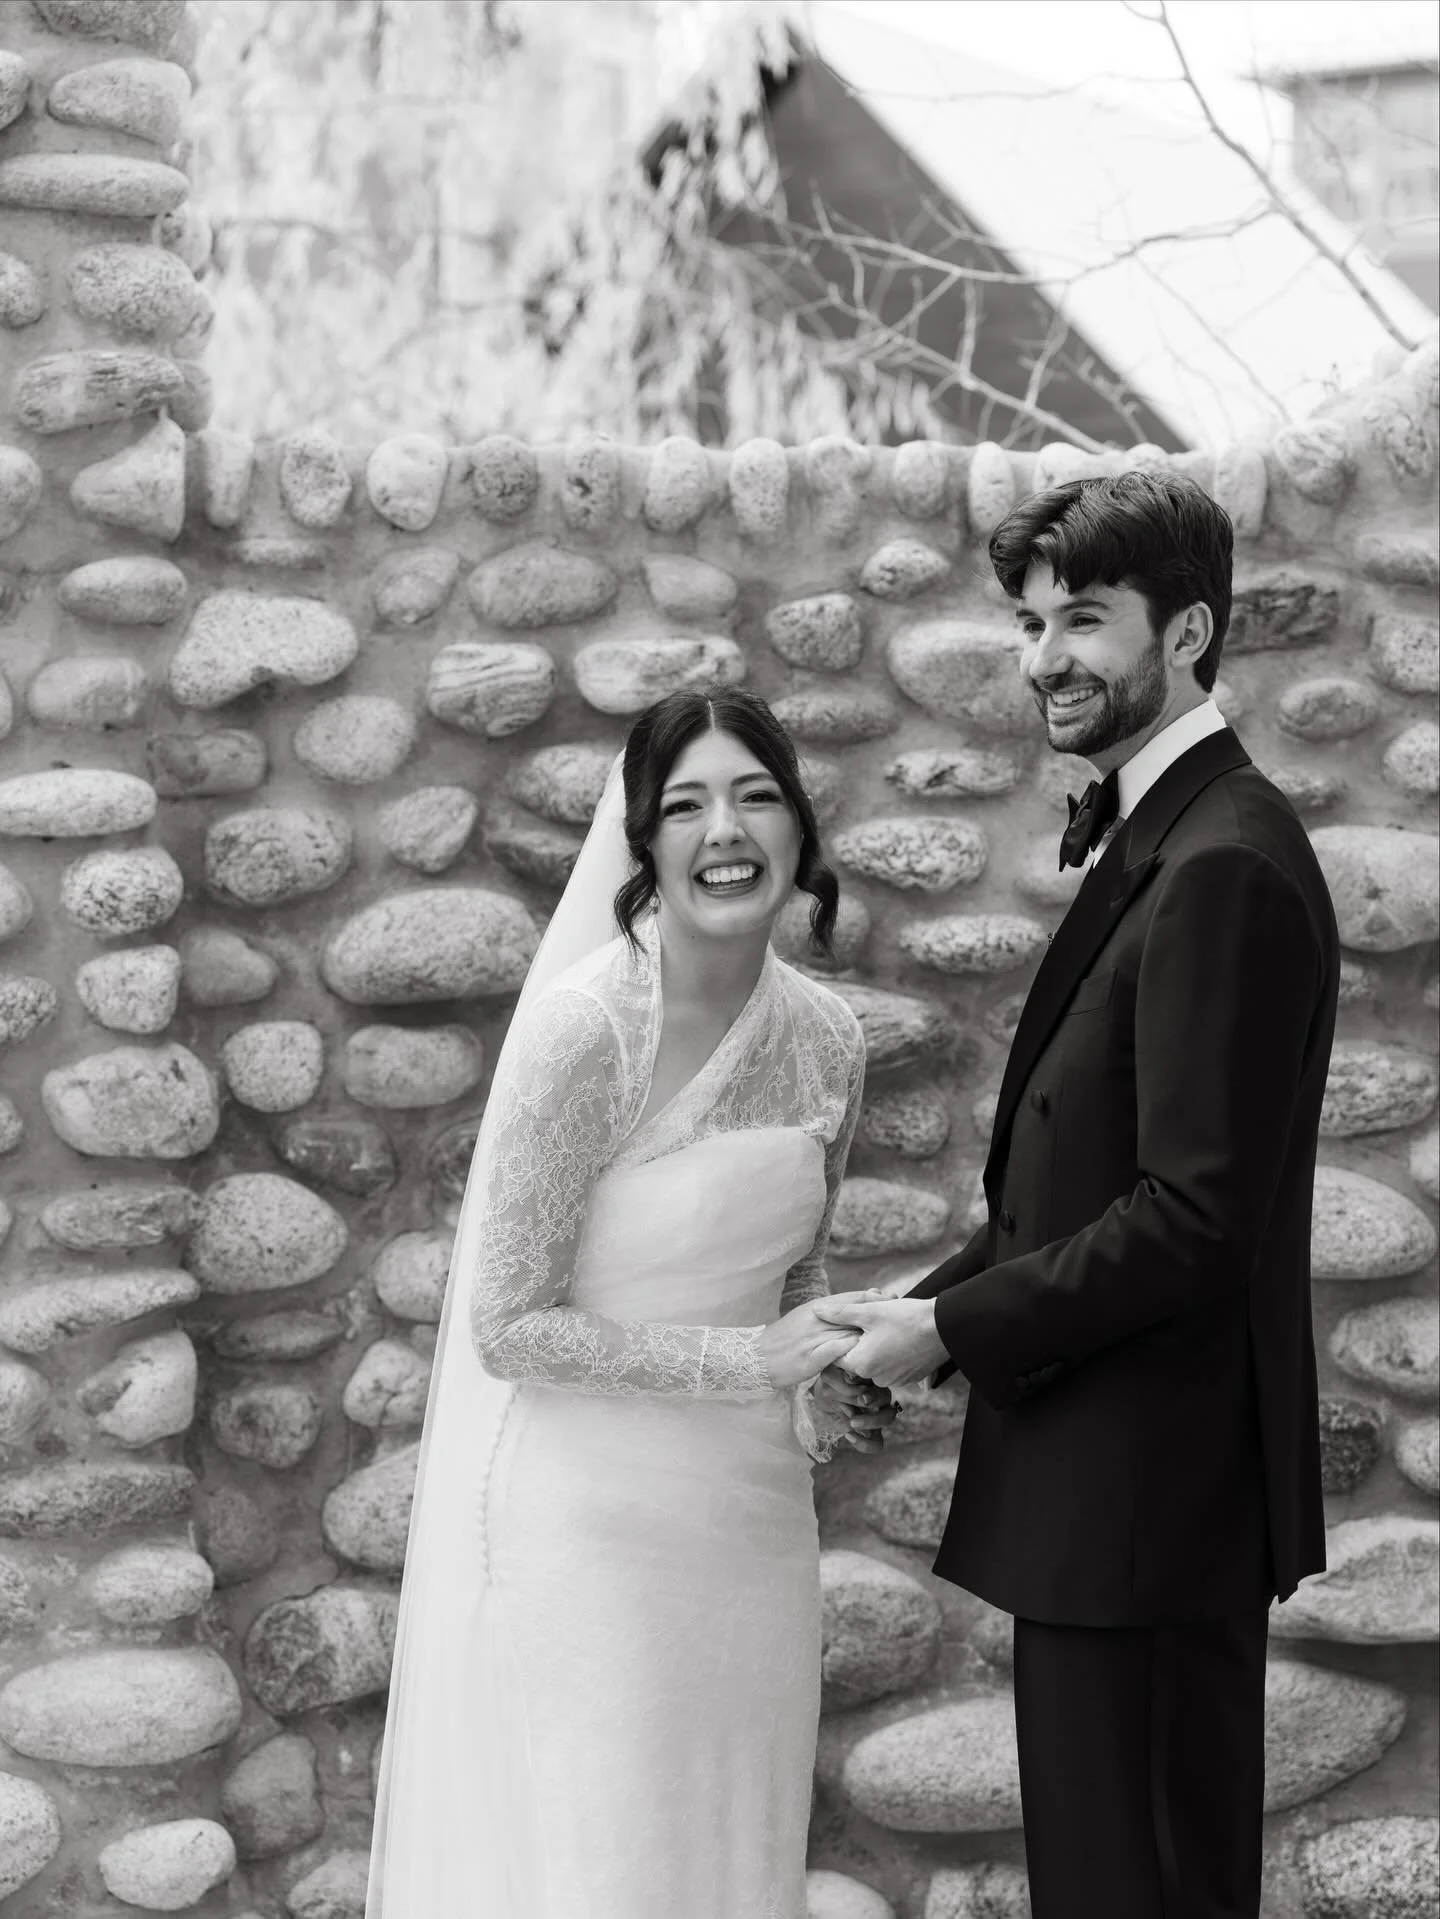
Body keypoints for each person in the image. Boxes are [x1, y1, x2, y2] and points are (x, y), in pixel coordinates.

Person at [817, 471, 1340, 1919]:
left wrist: (957, 1337)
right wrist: (920, 1307)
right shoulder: (1163, 835)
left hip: (1154, 1513)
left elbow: (1192, 1217)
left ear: (1188, 633)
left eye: (1086, 617)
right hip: (1117, 1508)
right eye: (1032, 619)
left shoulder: (1223, 860)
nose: (1046, 653)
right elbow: (1082, 1181)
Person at [366, 687, 892, 1919]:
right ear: (644, 845)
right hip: (587, 1529)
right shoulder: (582, 1031)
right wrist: (751, 1360)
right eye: (688, 804)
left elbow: (797, 1275)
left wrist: (821, 1381)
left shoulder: (830, 1041)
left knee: (738, 1855)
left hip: (753, 1529)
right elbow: (508, 1326)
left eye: (757, 796)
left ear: (800, 833)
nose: (727, 828)